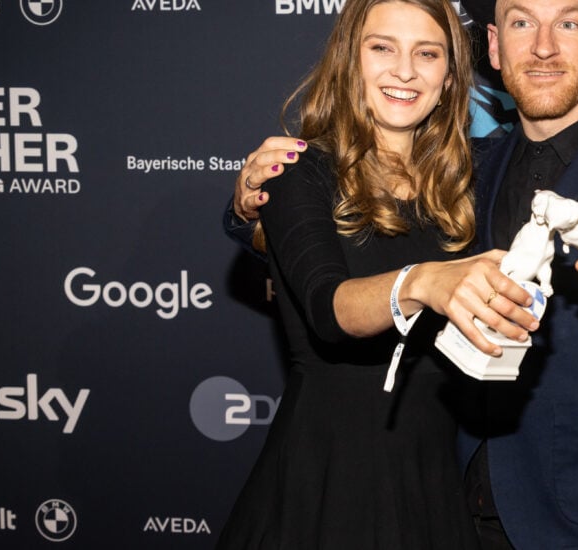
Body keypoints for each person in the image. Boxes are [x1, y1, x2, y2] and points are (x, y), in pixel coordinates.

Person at [228, 1, 578, 547]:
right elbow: (364, 234)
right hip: (455, 507)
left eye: (568, 23)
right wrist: (256, 210)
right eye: (522, 22)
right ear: (494, 48)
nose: (544, 46)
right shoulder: (467, 167)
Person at [216, 1, 540, 548]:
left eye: (428, 53)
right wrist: (420, 282)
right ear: (349, 59)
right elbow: (330, 308)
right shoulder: (299, 170)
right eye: (382, 47)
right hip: (326, 481)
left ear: (449, 76)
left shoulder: (477, 178)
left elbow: (573, 168)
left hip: (435, 481)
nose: (406, 71)